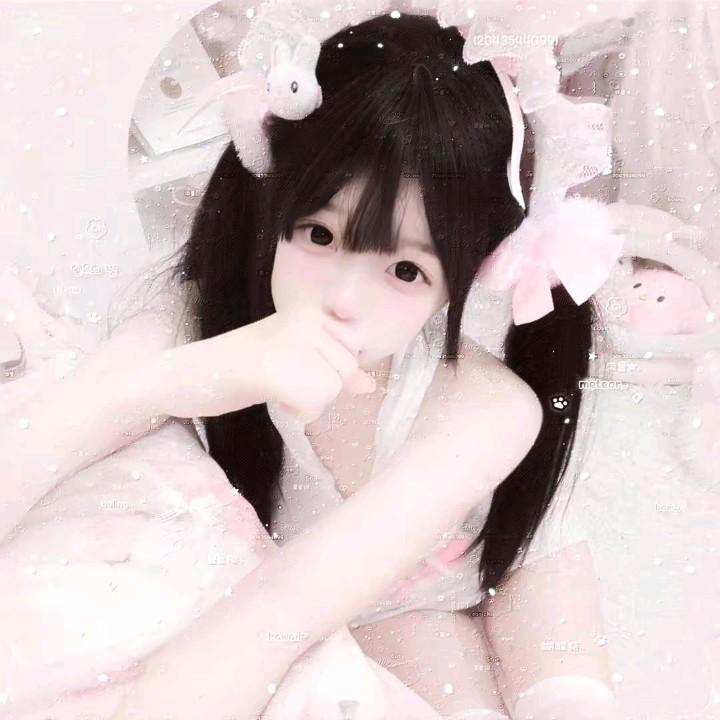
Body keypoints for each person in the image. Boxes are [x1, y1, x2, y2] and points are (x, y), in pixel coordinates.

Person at [0, 11, 617, 720]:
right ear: (275, 200)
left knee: (572, 704)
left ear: (470, 276)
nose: (344, 300)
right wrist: (179, 380)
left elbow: (278, 613)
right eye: (320, 234)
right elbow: (273, 615)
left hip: (504, 545)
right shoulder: (195, 320)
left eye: (407, 270)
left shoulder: (485, 409)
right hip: (377, 597)